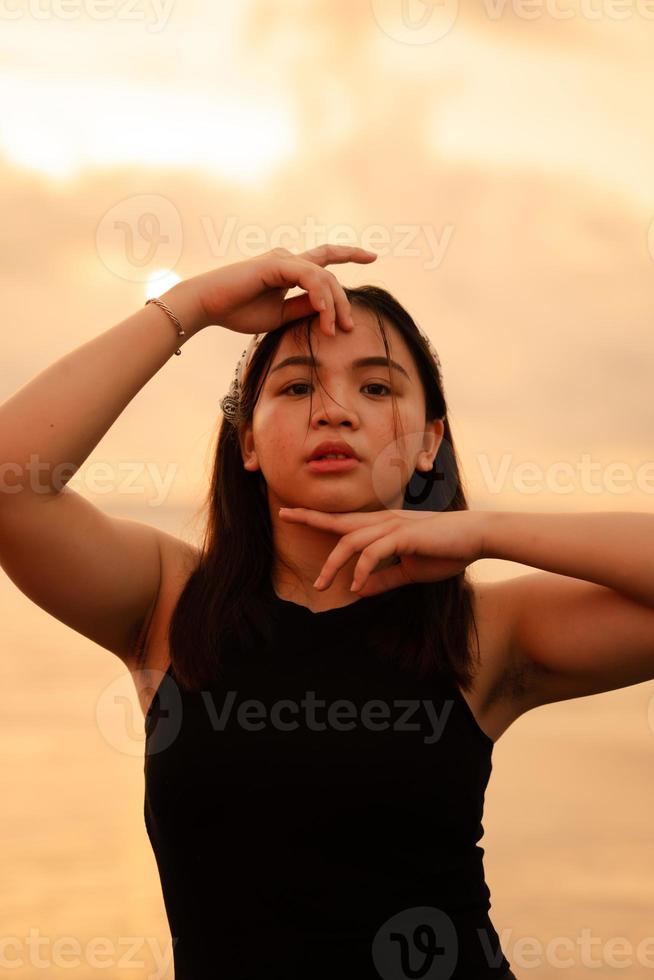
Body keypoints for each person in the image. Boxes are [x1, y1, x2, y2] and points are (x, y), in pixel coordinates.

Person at [6, 244, 654, 978]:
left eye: (377, 389)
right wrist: (194, 307)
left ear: (428, 441)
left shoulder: (485, 633)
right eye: (294, 387)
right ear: (246, 439)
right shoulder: (169, 602)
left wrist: (488, 531)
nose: (336, 410)